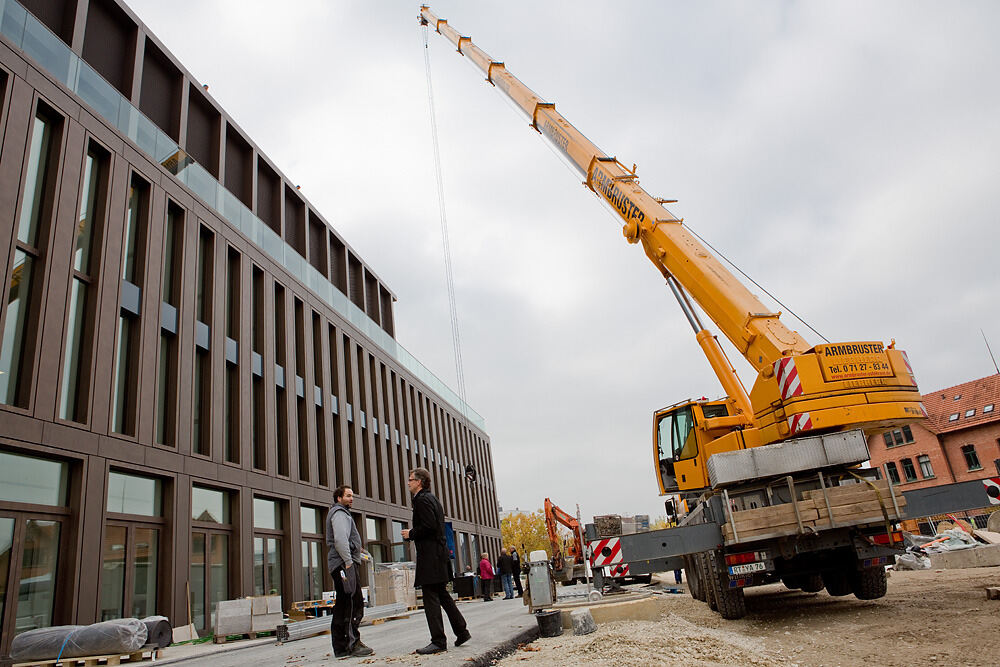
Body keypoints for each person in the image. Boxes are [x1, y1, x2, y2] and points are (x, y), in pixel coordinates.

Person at [401, 467, 471, 655]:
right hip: (439, 555)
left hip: (431, 557)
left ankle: (438, 641)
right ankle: (462, 631)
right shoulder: (431, 499)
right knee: (443, 595)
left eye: (410, 479)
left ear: (419, 482)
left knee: (431, 598)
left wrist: (411, 533)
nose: (408, 482)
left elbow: (430, 526)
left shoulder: (422, 500)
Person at [325, 485, 374, 659]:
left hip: (341, 563)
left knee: (344, 603)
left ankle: (342, 646)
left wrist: (355, 549)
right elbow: (339, 539)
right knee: (352, 603)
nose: (351, 498)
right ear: (339, 498)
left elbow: (344, 539)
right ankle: (351, 644)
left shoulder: (341, 513)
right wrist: (348, 561)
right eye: (348, 496)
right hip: (343, 564)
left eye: (352, 496)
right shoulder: (339, 514)